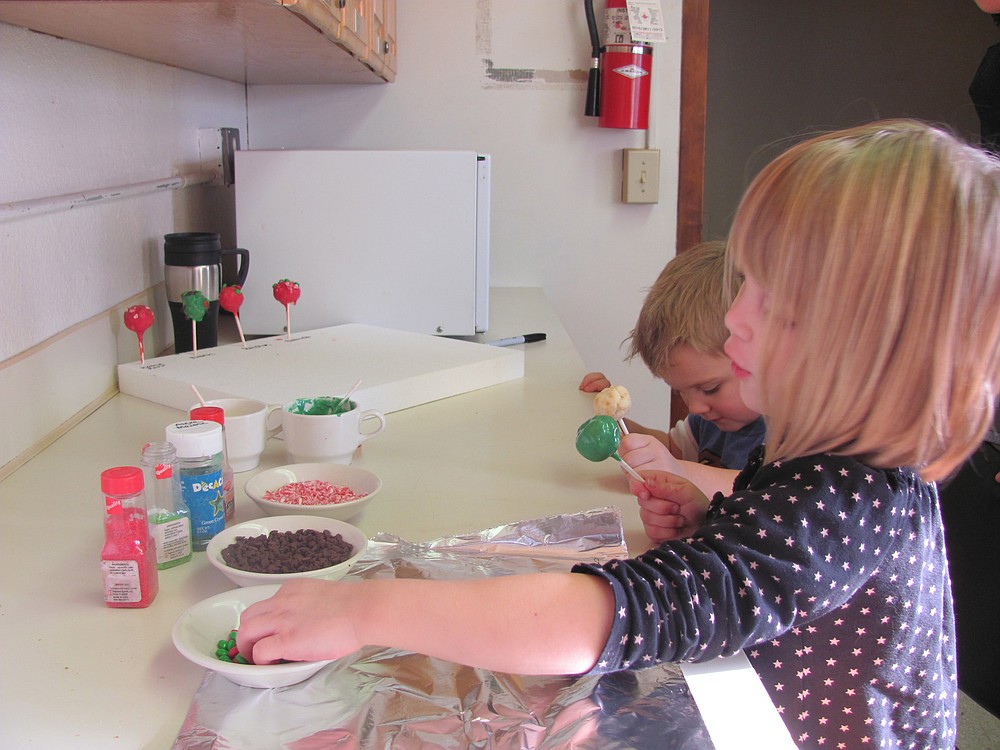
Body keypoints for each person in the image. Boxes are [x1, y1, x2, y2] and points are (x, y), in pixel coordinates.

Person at [237, 120, 1000, 749]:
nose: (737, 315)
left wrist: (363, 612)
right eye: (748, 280)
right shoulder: (829, 462)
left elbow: (610, 616)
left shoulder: (848, 492)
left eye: (775, 300)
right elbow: (784, 575)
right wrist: (716, 524)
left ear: (868, 342)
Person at [580, 241, 764, 500]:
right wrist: (617, 427)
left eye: (710, 389)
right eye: (682, 392)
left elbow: (765, 492)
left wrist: (678, 471)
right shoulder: (710, 419)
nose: (695, 407)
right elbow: (671, 449)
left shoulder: (788, 434)